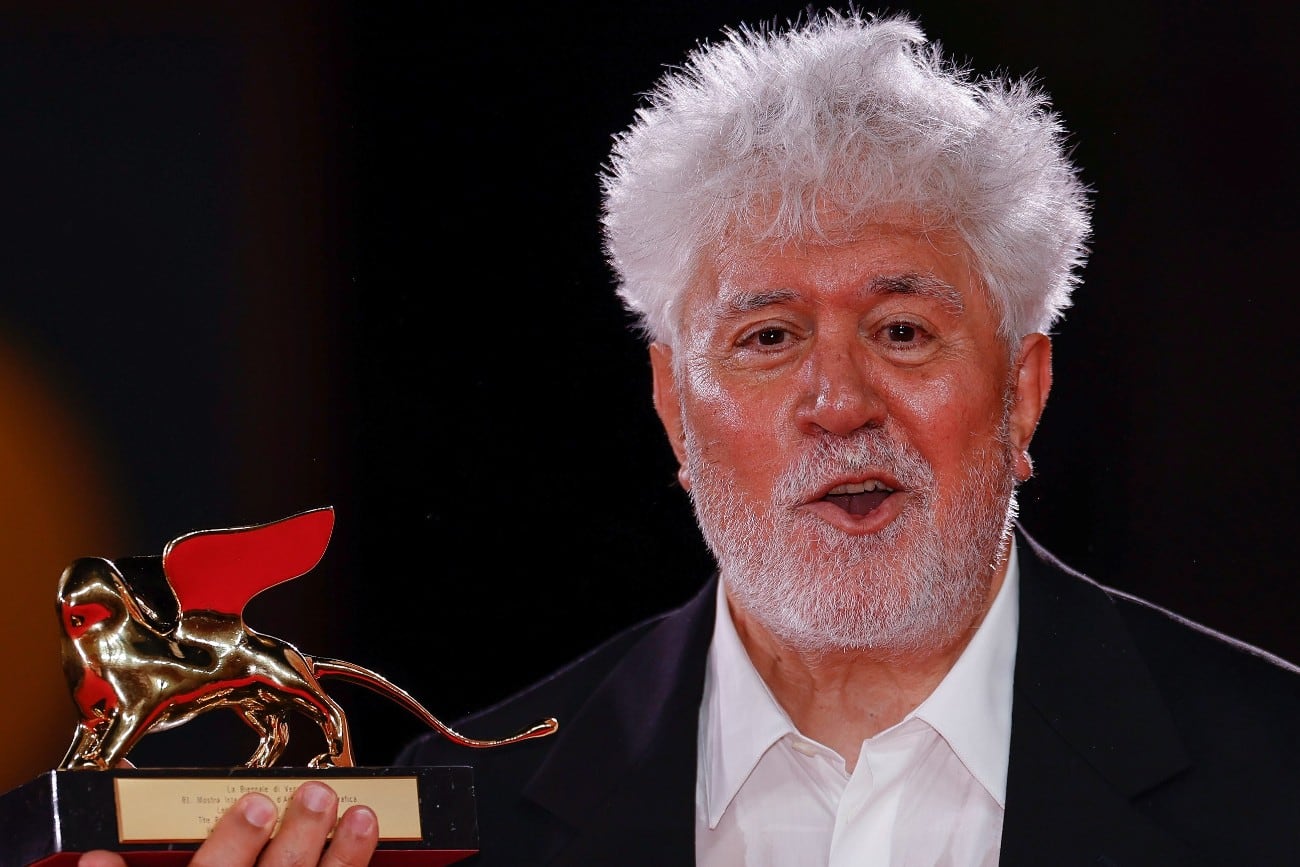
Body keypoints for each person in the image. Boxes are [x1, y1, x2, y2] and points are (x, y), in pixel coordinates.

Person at [81, 7, 1300, 866]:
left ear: (1023, 391)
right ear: (673, 407)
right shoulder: (458, 823)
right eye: (766, 339)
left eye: (903, 331)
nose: (839, 402)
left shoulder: (1274, 781)